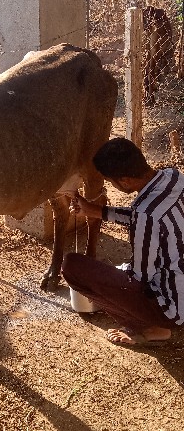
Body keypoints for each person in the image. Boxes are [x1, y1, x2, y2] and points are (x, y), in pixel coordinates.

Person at [62, 137, 184, 347]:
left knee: (71, 266)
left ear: (125, 181)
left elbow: (140, 278)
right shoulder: (173, 177)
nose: (112, 185)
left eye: (111, 181)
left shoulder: (146, 215)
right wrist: (96, 211)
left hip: (175, 308)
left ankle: (149, 327)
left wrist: (112, 277)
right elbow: (148, 217)